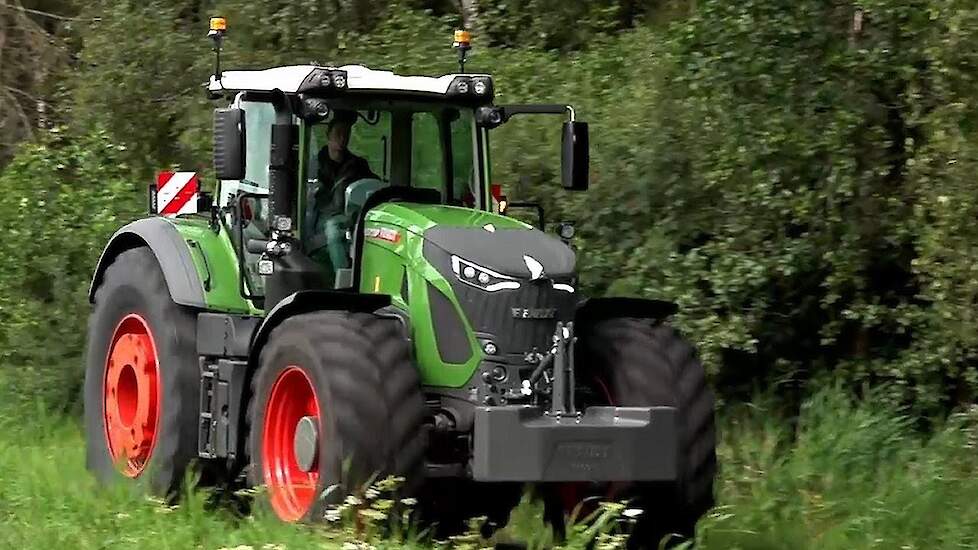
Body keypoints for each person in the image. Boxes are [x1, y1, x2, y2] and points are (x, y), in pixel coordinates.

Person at [305, 110, 378, 275]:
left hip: (350, 215)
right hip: (320, 217)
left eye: (346, 134)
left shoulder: (358, 165)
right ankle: (343, 278)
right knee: (333, 228)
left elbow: (373, 187)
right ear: (328, 135)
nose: (342, 138)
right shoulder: (313, 165)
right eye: (338, 133)